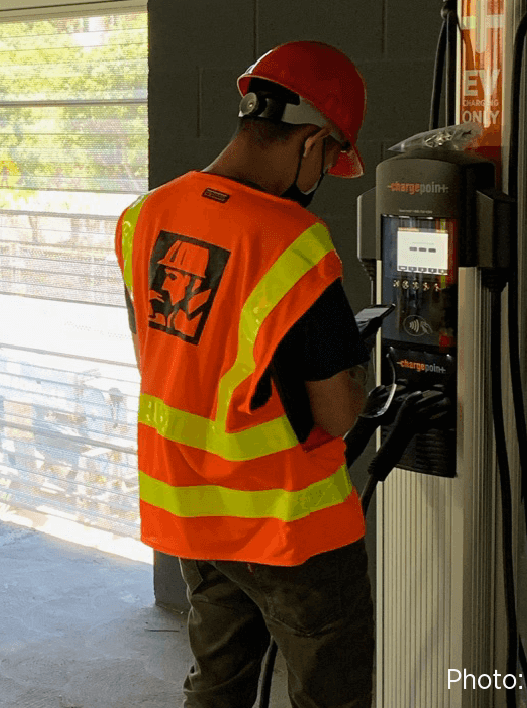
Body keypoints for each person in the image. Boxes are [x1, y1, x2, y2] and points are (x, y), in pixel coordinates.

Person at [115, 41, 375, 708]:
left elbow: (166, 352)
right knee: (330, 693)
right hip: (291, 525)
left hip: (192, 510)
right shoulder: (294, 241)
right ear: (312, 140)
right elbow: (339, 416)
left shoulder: (145, 216)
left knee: (218, 683)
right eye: (329, 158)